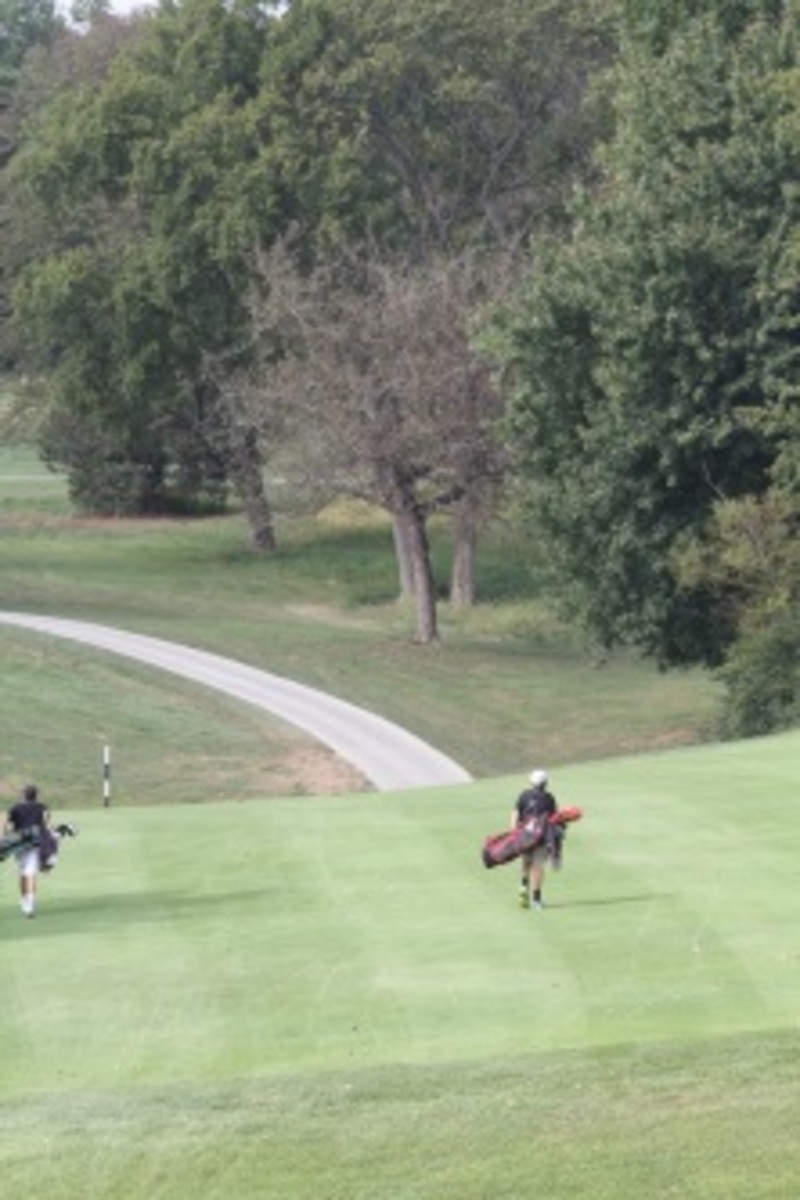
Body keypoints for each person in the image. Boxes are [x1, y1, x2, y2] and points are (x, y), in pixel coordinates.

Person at [511, 768, 558, 909]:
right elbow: (554, 818)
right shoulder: (549, 798)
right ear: (545, 783)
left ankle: (523, 886)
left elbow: (515, 813)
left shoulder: (523, 795)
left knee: (526, 862)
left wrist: (513, 833)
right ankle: (536, 900)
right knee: (538, 867)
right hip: (540, 837)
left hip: (524, 835)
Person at [4, 783, 53, 918]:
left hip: (18, 844)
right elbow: (47, 824)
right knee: (31, 873)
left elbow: (6, 824)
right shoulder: (42, 807)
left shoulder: (15, 808)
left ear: (23, 795)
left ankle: (25, 900)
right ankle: (29, 904)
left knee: (23, 873)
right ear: (35, 795)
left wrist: (6, 838)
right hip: (34, 843)